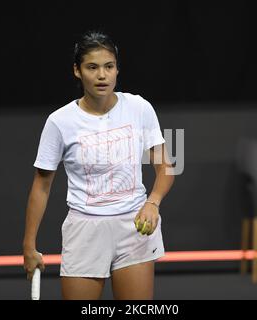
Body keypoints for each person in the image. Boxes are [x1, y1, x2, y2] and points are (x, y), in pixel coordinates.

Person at [23, 30, 175, 300]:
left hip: (134, 228)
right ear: (77, 71)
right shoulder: (59, 122)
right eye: (92, 67)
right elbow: (42, 186)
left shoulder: (140, 108)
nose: (102, 75)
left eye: (109, 66)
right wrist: (29, 245)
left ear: (117, 69)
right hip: (84, 231)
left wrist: (153, 202)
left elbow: (166, 166)